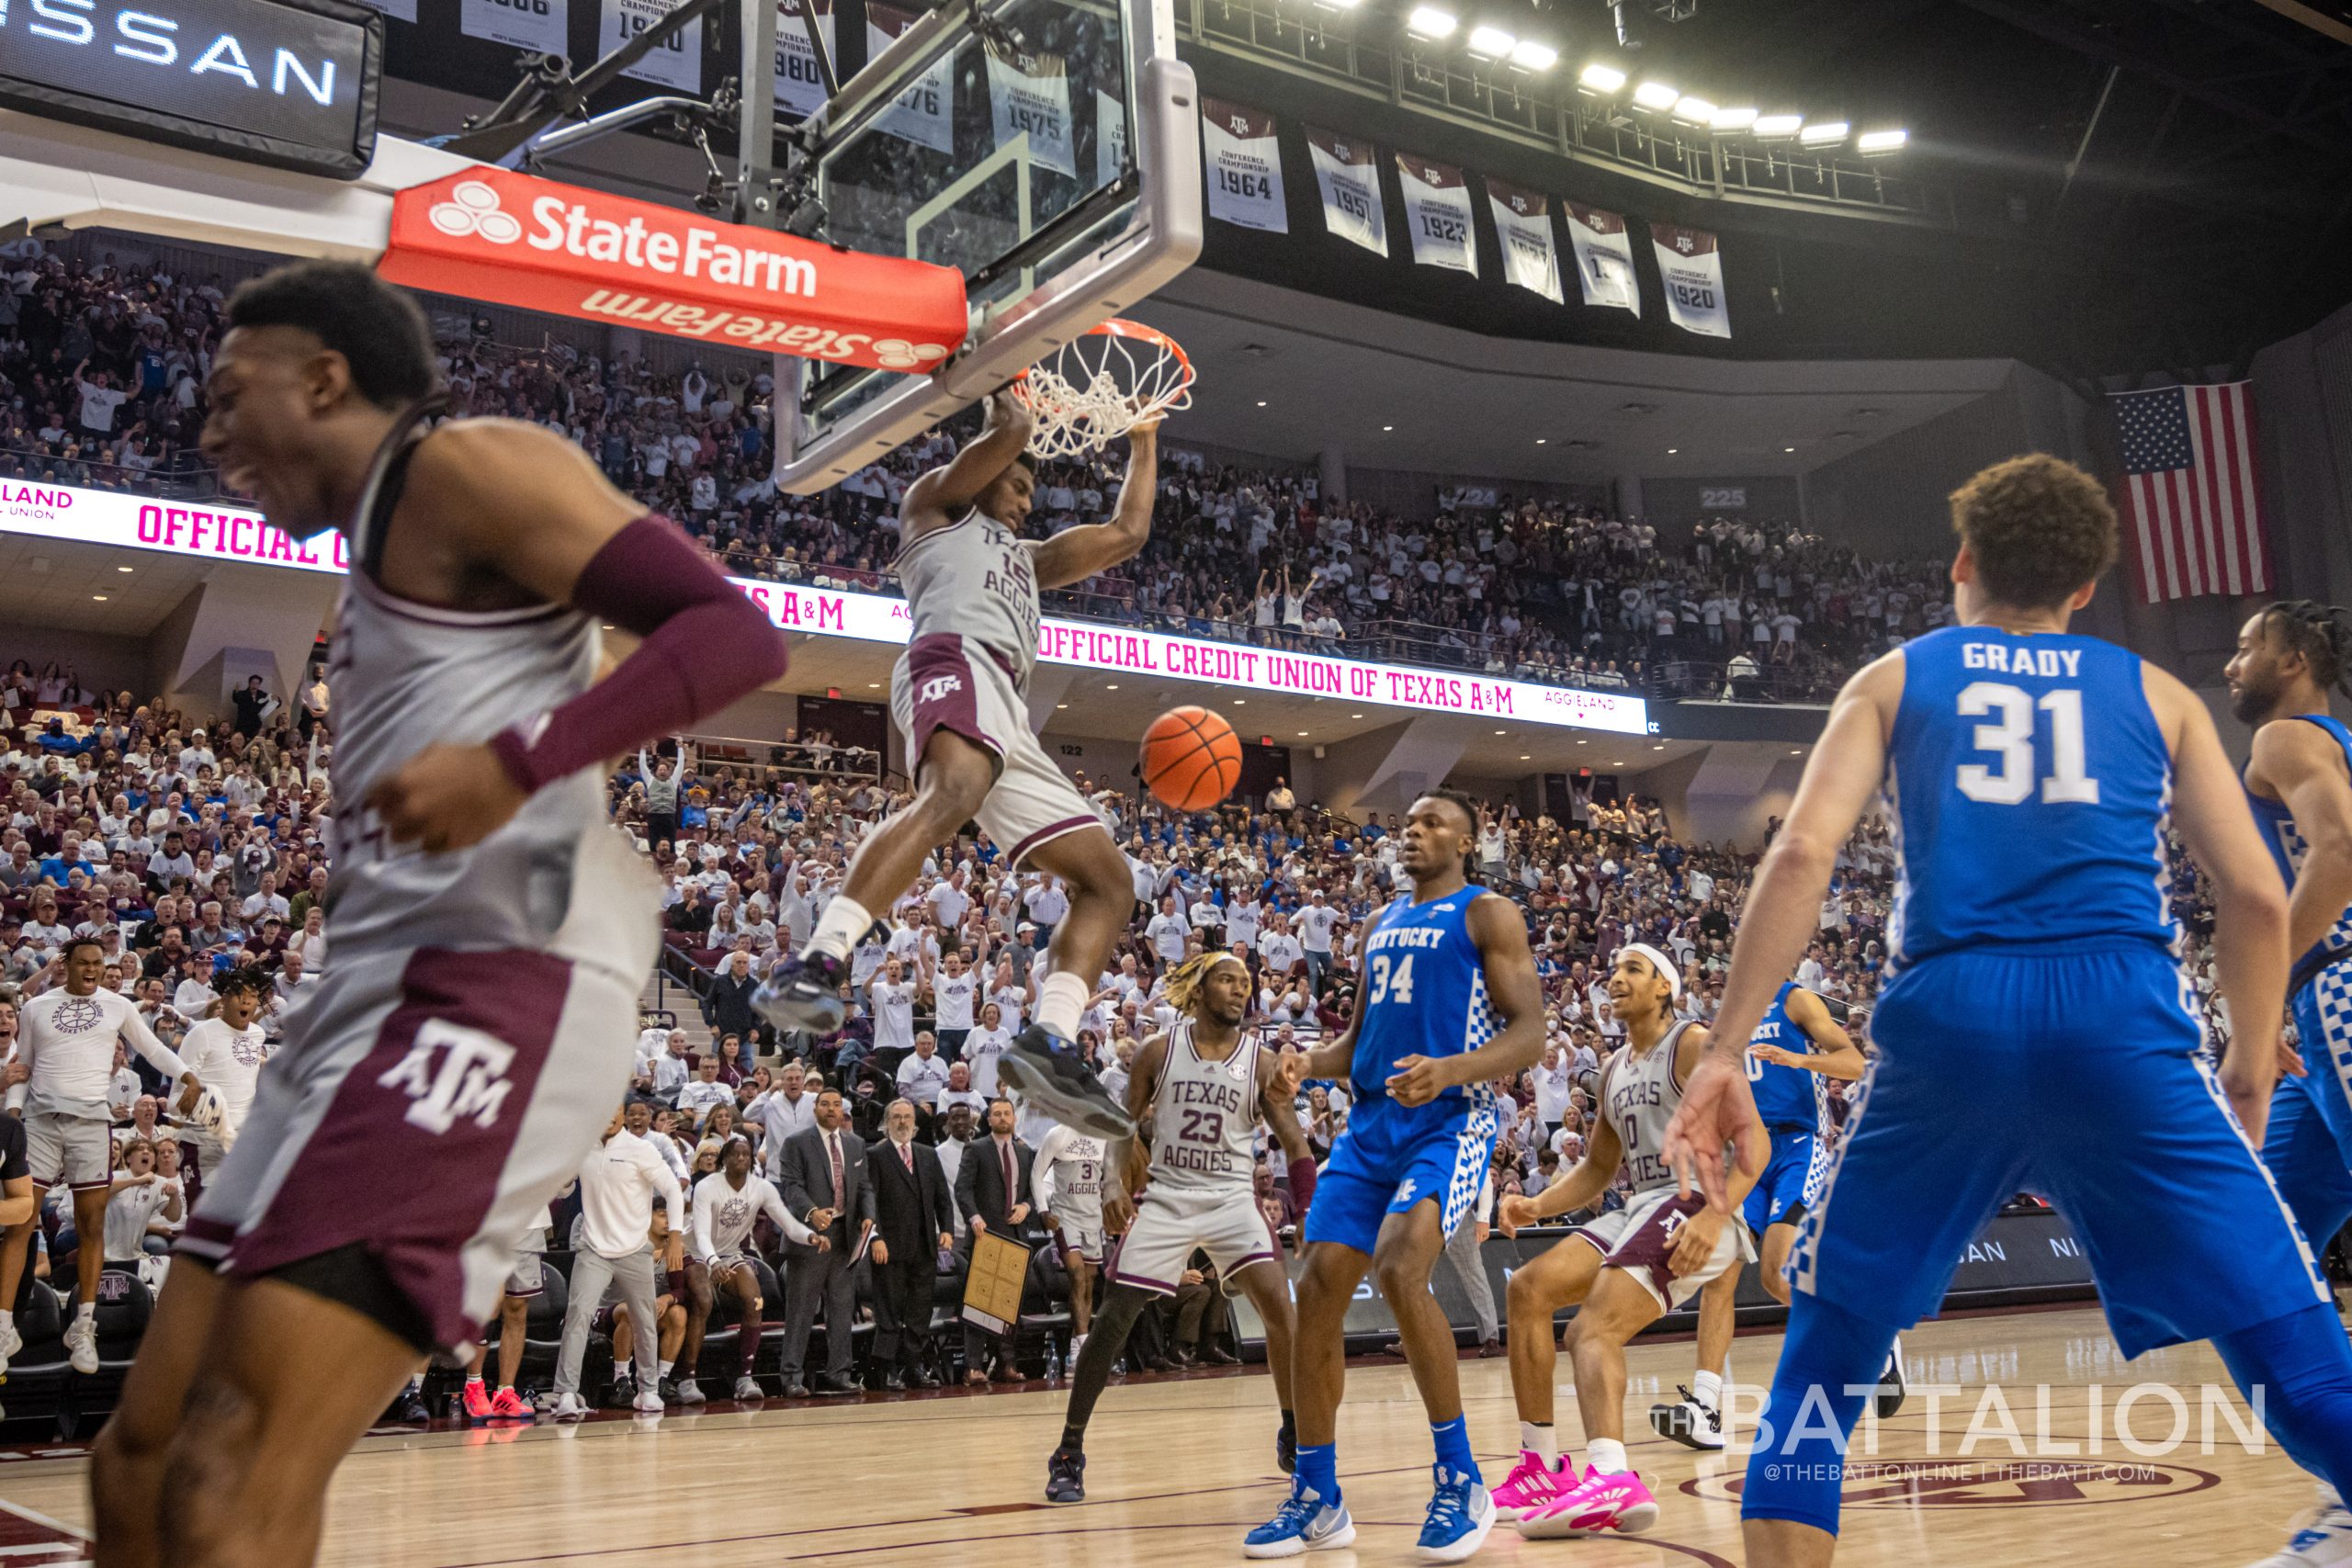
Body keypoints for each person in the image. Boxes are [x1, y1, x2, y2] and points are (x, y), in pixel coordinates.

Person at [91, 261, 785, 1568]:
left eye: (231, 395)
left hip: (499, 985)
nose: (209, 431)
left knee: (232, 1461)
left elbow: (734, 633)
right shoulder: (370, 561)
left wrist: (517, 760)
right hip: (358, 1007)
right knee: (143, 1451)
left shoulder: (464, 465)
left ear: (326, 378)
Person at [1661, 454, 2352, 1568]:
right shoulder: (2159, 693)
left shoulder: (1894, 678)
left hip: (1949, 1023)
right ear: (2085, 589)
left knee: (1824, 1367)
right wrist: (2241, 1067)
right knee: (2299, 1363)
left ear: (1963, 562)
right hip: (2122, 1023)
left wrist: (1727, 1048)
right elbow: (2259, 892)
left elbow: (1801, 851)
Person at [757, 390, 1165, 1140]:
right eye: (1018, 485)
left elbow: (1127, 531)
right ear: (984, 474)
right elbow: (1008, 426)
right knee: (955, 790)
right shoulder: (933, 509)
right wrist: (1006, 362)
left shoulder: (1030, 559)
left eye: (1032, 492)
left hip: (1006, 706)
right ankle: (815, 962)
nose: (1025, 501)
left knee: (1110, 880)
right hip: (951, 658)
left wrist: (1143, 439)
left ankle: (1049, 1038)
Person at [1244, 791, 1544, 1563]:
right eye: (1406, 823)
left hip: (1453, 1119)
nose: (1412, 832)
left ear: (1469, 840)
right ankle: (1317, 1494)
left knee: (1403, 1263)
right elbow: (1359, 1038)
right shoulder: (1379, 924)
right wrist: (1309, 1063)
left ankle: (1461, 1478)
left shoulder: (1488, 914)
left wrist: (1450, 1071)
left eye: (1432, 822)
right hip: (1372, 1124)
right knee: (1315, 1289)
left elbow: (1531, 1035)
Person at [1484, 945, 1760, 1539]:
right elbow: (1598, 1170)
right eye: (1612, 971)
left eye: (1632, 969)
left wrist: (1715, 1217)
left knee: (1591, 1328)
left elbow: (1754, 1146)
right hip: (1641, 1203)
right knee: (1529, 1291)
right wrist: (1535, 1204)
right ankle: (1543, 1466)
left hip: (1696, 1201)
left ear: (1665, 986)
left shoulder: (1694, 1044)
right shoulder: (1612, 1067)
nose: (1616, 978)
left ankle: (1611, 1473)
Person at [1045, 953, 1313, 1506]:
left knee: (1283, 1317)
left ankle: (1293, 1429)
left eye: (1246, 983)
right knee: (1114, 1319)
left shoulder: (1261, 1062)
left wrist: (1308, 1208)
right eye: (1228, 980)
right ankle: (1069, 1450)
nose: (1241, 990)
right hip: (1167, 1196)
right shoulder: (1157, 1051)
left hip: (1233, 1198)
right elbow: (1122, 1125)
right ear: (1198, 989)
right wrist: (1115, 1183)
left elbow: (1296, 1144)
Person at [2224, 599, 2352, 1568]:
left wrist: (2266, 992)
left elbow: (2342, 850)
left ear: (2295, 659)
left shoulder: (2286, 734)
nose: (2232, 662)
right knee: (2247, 1250)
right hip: (2315, 1014)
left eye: (2247, 646)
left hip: (2337, 992)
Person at [1650, 981, 1876, 1454]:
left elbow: (1854, 1062)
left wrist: (1800, 1060)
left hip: (1798, 1146)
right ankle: (1705, 1409)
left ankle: (1868, 1333)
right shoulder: (1723, 1025)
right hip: (1750, 1154)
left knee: (1776, 1275)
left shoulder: (1795, 999)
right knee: (1721, 1272)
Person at [7, 939, 220, 1377]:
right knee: (20, 1222)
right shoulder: (35, 1008)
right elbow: (23, 1066)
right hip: (40, 1121)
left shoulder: (118, 1006)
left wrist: (186, 1074)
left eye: (97, 964)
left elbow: (152, 1048)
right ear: (64, 966)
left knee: (91, 1223)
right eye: (82, 963)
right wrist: (12, 1116)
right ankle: (4, 1324)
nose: (91, 970)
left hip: (91, 1124)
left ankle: (83, 1326)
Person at [550, 1105, 684, 1419]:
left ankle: (648, 1390)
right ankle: (566, 1393)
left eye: (615, 1108)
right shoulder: (581, 1147)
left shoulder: (641, 1149)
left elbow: (673, 1191)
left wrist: (675, 1236)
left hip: (635, 1248)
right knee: (578, 1315)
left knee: (645, 1318)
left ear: (623, 1114)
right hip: (593, 1248)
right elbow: (562, 1189)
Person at [688, 1134, 816, 1403]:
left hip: (730, 1252)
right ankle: (687, 1379)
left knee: (755, 1300)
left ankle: (744, 1377)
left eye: (746, 1154)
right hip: (696, 1252)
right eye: (736, 1154)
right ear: (724, 1159)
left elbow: (789, 1224)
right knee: (702, 1300)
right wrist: (713, 1263)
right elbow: (700, 1234)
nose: (742, 1158)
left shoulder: (762, 1188)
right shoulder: (706, 1186)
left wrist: (811, 1237)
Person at [776, 1088, 873, 1396]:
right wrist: (811, 1212)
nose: (831, 1110)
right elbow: (790, 1187)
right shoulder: (797, 1143)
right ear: (815, 1108)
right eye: (825, 1104)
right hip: (811, 1237)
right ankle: (791, 1376)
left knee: (842, 1310)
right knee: (801, 1310)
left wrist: (868, 1216)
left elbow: (866, 1187)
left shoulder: (856, 1144)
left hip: (846, 1236)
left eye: (836, 1105)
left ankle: (839, 1373)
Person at [868, 1098, 956, 1390]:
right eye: (897, 1117)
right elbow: (871, 1205)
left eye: (907, 1117)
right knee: (889, 1311)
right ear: (887, 1123)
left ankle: (913, 1367)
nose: (903, 1122)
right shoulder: (876, 1156)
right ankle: (887, 1369)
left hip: (924, 1245)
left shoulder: (928, 1155)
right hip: (889, 1248)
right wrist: (875, 1237)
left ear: (916, 1125)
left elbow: (943, 1197)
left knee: (920, 1310)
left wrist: (947, 1229)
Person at [955, 1097, 1043, 1385]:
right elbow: (962, 1189)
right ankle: (973, 1367)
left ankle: (1006, 1364)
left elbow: (1032, 1192)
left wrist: (1027, 1208)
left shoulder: (1025, 1152)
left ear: (1014, 1118)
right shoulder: (976, 1148)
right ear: (989, 1120)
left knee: (1008, 1305)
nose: (1003, 1117)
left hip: (1015, 1237)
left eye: (1007, 1113)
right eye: (997, 1114)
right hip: (984, 1236)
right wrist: (974, 1217)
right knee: (979, 1303)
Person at [174, 967, 272, 1182]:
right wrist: (195, 1103)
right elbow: (176, 1099)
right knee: (201, 1213)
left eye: (253, 996)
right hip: (204, 1142)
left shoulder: (258, 1034)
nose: (246, 1001)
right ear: (224, 999)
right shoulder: (201, 1034)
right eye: (240, 995)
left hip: (243, 1141)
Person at [1031, 1123, 1108, 1367]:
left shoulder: (1102, 1137)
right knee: (1076, 1276)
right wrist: (1043, 1210)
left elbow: (1110, 1178)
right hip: (1066, 1218)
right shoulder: (1057, 1134)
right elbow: (1036, 1174)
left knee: (1089, 1279)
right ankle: (1083, 1345)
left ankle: (1078, 1339)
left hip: (1093, 1217)